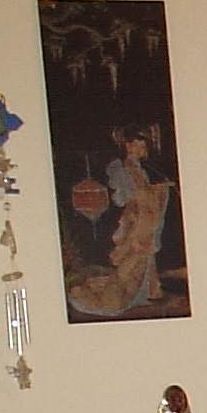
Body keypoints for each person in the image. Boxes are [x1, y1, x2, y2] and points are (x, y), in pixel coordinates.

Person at [67, 123, 176, 318]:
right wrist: (158, 190)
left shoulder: (139, 168)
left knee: (145, 254)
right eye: (138, 145)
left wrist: (160, 188)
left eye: (143, 146)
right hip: (138, 219)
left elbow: (144, 192)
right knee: (136, 255)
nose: (142, 150)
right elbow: (134, 196)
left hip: (145, 217)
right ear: (128, 146)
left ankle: (151, 289)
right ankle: (132, 291)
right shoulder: (126, 169)